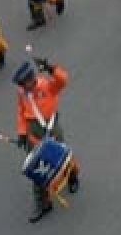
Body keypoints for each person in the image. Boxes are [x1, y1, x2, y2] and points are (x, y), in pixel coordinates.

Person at [13, 56, 78, 222]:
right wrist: (21, 132)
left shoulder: (47, 86)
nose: (23, 87)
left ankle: (72, 175)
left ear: (31, 79)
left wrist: (51, 68)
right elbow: (21, 113)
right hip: (33, 133)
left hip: (51, 128)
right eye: (21, 85)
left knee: (62, 158)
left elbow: (63, 80)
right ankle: (43, 203)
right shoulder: (22, 94)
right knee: (37, 167)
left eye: (24, 83)